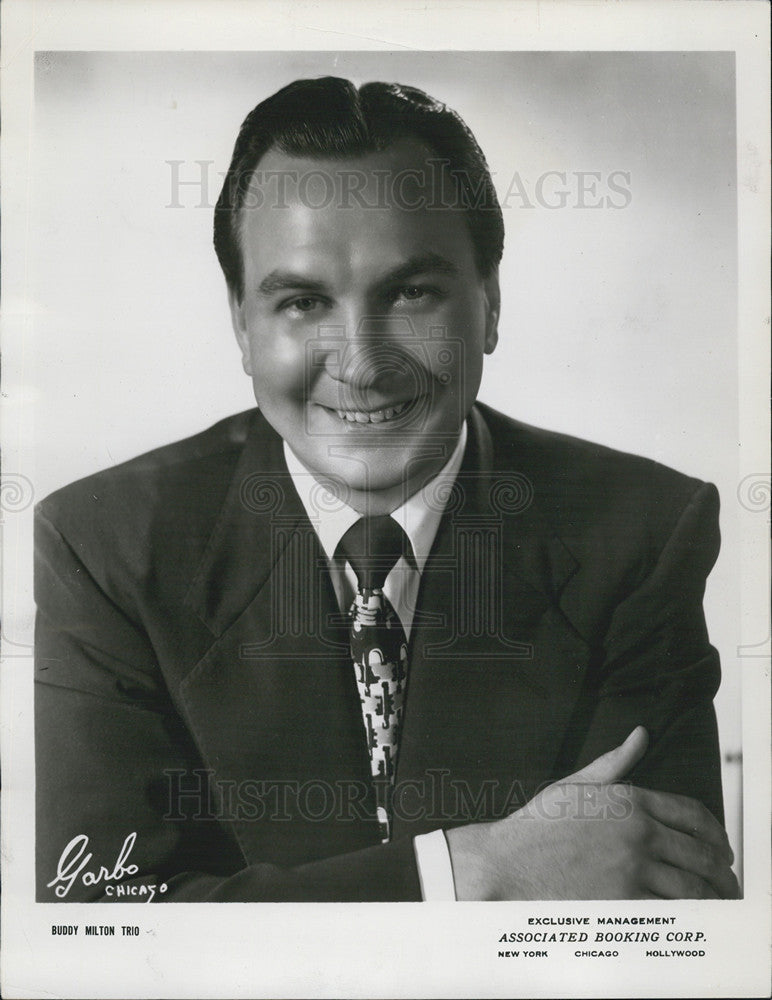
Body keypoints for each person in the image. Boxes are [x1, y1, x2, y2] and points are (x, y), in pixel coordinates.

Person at [34, 77, 738, 902]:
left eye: (410, 293)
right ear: (239, 324)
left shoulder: (642, 530)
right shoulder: (102, 544)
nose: (363, 364)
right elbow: (99, 924)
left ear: (490, 304)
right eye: (302, 302)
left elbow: (664, 924)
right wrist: (471, 873)